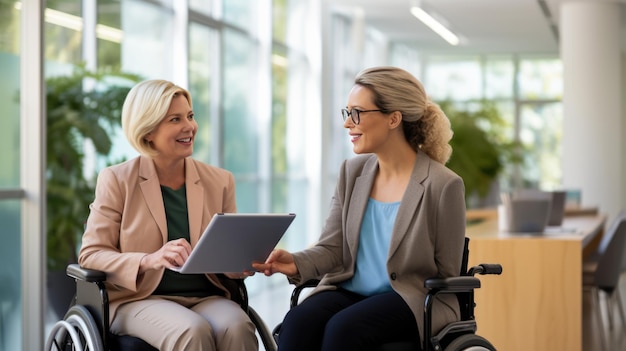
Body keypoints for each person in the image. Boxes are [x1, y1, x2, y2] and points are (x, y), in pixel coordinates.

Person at [253, 66, 466, 351]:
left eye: (357, 113)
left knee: (344, 329)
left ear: (394, 119)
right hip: (350, 291)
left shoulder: (443, 185)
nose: (347, 123)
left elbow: (446, 273)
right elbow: (333, 247)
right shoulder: (352, 173)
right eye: (347, 112)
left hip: (410, 297)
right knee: (298, 321)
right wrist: (294, 261)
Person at [78, 79, 258, 351]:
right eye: (175, 119)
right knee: (192, 331)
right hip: (138, 299)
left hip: (205, 296)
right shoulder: (117, 180)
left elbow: (228, 257)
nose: (190, 127)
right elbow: (91, 254)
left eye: (190, 116)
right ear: (148, 131)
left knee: (238, 326)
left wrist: (238, 265)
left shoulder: (220, 181)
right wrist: (148, 260)